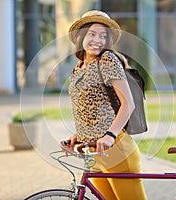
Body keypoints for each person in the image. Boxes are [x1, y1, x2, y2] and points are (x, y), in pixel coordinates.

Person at [67, 10, 147, 200]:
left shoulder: (108, 60)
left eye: (103, 36)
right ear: (80, 36)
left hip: (117, 148)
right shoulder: (78, 68)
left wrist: (110, 135)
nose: (98, 40)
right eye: (92, 34)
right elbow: (91, 107)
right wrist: (80, 134)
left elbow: (128, 103)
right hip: (96, 152)